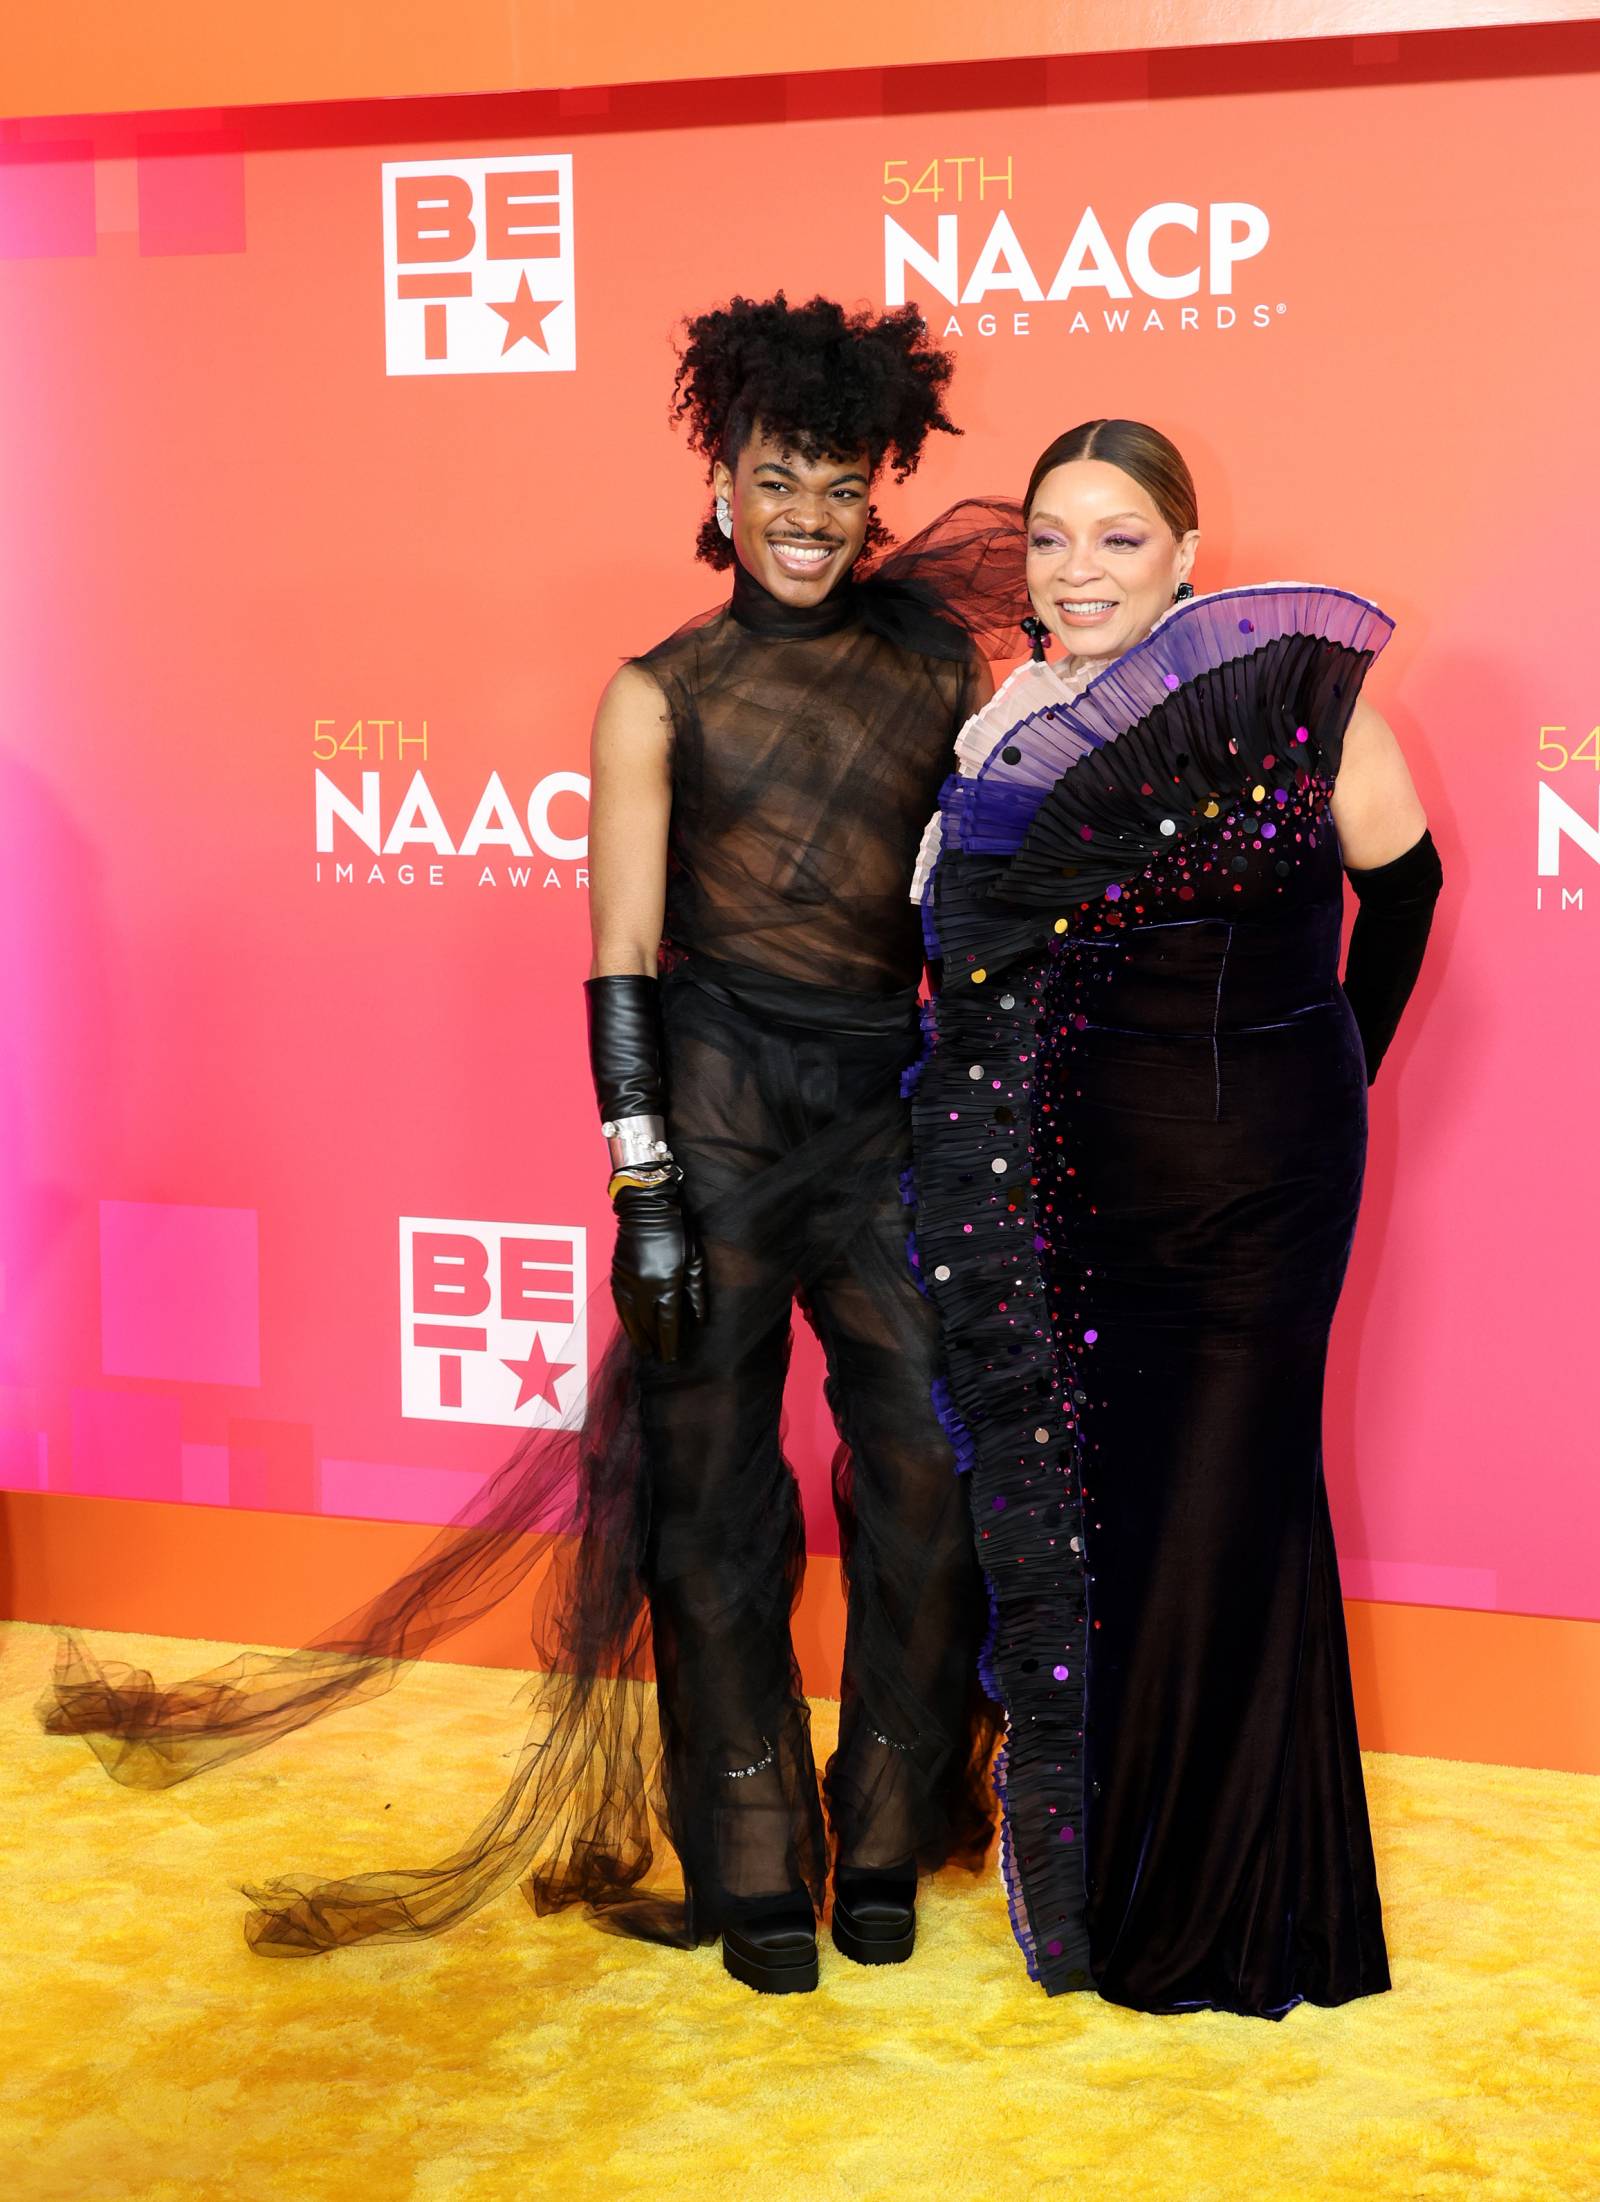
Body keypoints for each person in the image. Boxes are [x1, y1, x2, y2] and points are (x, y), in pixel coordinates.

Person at [44, 295, 1023, 1998]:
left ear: (881, 491)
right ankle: (754, 1859)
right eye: (772, 476)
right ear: (718, 480)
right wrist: (645, 1183)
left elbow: (983, 902)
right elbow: (621, 951)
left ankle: (882, 1825)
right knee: (711, 1516)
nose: (805, 513)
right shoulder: (659, 694)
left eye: (838, 482)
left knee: (927, 1485)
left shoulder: (943, 667)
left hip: (886, 1125)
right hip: (711, 1131)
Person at [908, 418, 1442, 2018]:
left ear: (1190, 551)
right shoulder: (1006, 718)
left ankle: (1224, 1906)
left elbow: (1404, 896)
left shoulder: (1298, 702)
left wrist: (1321, 1064)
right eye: (1055, 539)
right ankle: (1122, 1863)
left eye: (1120, 537)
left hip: (1258, 1176)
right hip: (1077, 1178)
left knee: (1228, 1495)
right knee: (1116, 1499)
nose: (1080, 573)